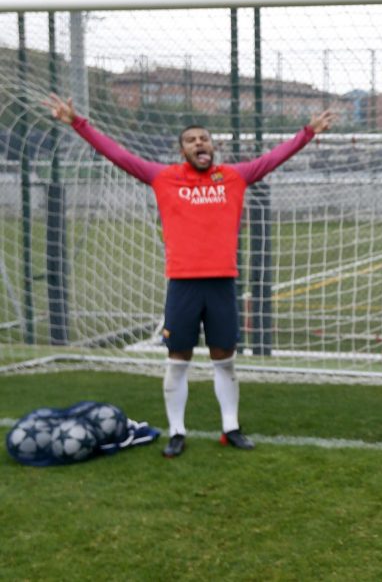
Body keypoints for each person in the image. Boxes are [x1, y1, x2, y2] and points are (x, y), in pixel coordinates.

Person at [45, 93, 334, 459]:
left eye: (205, 139)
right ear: (181, 150)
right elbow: (118, 155)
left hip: (222, 283)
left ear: (213, 147)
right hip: (182, 284)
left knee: (224, 360)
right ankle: (177, 431)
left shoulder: (234, 176)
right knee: (177, 360)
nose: (200, 143)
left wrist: (307, 132)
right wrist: (77, 122)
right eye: (192, 140)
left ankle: (231, 428)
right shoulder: (163, 178)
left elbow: (275, 158)